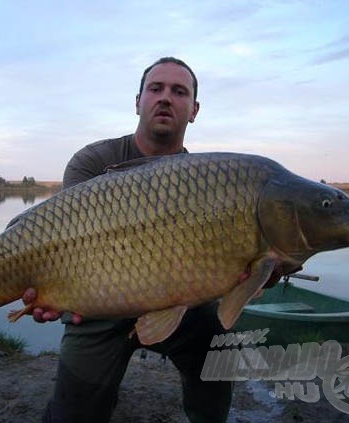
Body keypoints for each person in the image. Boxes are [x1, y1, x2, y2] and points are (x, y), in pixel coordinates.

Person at [23, 57, 233, 423]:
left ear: (194, 110)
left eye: (179, 91)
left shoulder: (205, 181)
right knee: (71, 414)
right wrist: (51, 290)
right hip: (98, 306)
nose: (165, 98)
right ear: (138, 102)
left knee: (219, 349)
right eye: (156, 89)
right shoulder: (93, 162)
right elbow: (67, 248)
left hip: (178, 305)